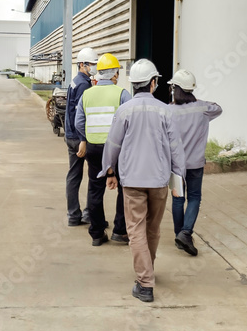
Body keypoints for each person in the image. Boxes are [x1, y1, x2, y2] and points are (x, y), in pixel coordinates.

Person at [100, 59, 186, 303]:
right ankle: (148, 270)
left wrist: (109, 172)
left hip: (133, 181)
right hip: (159, 181)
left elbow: (113, 144)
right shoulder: (164, 110)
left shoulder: (124, 110)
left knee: (135, 230)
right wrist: (178, 182)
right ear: (152, 83)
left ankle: (145, 282)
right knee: (153, 229)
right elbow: (176, 149)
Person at [74, 53, 131, 246]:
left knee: (95, 189)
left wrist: (90, 137)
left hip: (94, 148)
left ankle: (97, 234)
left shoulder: (87, 94)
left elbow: (78, 123)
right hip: (118, 150)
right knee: (124, 188)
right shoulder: (122, 94)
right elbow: (130, 123)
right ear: (114, 74)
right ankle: (120, 231)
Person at [167, 70, 222, 256]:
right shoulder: (202, 109)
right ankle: (185, 232)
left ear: (175, 89)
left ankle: (179, 235)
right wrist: (199, 101)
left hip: (175, 164)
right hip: (196, 164)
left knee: (177, 199)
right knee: (194, 197)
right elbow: (218, 108)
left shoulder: (169, 110)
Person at [64, 47, 97, 226]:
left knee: (74, 176)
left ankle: (73, 215)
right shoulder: (84, 84)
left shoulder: (75, 81)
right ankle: (88, 214)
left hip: (70, 136)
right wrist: (83, 140)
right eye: (92, 64)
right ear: (82, 65)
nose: (94, 67)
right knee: (93, 176)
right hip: (79, 138)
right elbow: (80, 115)